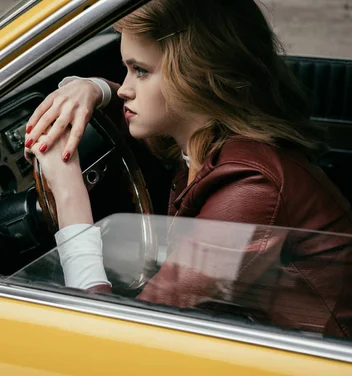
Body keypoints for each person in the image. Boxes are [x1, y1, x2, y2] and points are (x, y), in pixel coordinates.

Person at [24, 0, 352, 338]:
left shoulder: (252, 187)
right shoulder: (210, 142)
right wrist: (91, 87)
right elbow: (137, 113)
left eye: (140, 70)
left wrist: (67, 192)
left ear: (196, 73)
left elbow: (120, 335)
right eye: (125, 70)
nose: (124, 88)